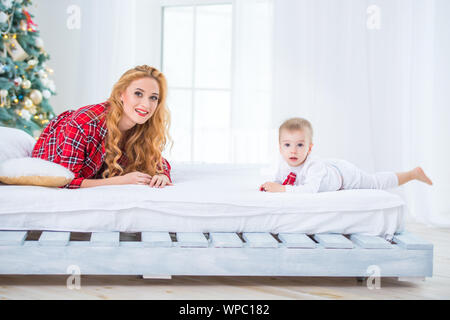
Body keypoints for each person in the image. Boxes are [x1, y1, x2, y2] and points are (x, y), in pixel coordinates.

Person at [32, 65, 172, 189]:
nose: (146, 105)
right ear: (120, 94)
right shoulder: (85, 123)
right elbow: (66, 181)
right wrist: (121, 181)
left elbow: (157, 161)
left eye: (153, 97)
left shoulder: (142, 125)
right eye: (138, 94)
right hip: (54, 157)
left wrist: (162, 176)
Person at [259, 117, 433, 193]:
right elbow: (280, 181)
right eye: (287, 145)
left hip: (344, 175)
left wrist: (282, 189)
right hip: (330, 168)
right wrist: (272, 185)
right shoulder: (282, 162)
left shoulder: (314, 166)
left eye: (300, 145)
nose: (293, 151)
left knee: (374, 182)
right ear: (280, 148)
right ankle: (412, 174)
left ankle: (412, 174)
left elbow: (309, 190)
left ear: (309, 148)